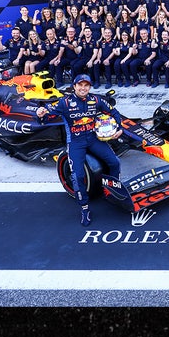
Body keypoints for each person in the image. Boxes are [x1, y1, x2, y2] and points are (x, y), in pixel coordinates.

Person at [36, 74, 122, 226]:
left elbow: (114, 112)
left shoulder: (95, 100)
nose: (83, 88)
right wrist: (41, 114)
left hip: (93, 138)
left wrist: (119, 128)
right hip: (76, 142)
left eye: (86, 85)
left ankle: (111, 191)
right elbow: (47, 116)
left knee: (115, 162)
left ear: (89, 87)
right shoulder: (65, 102)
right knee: (77, 176)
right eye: (80, 85)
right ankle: (84, 208)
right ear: (74, 87)